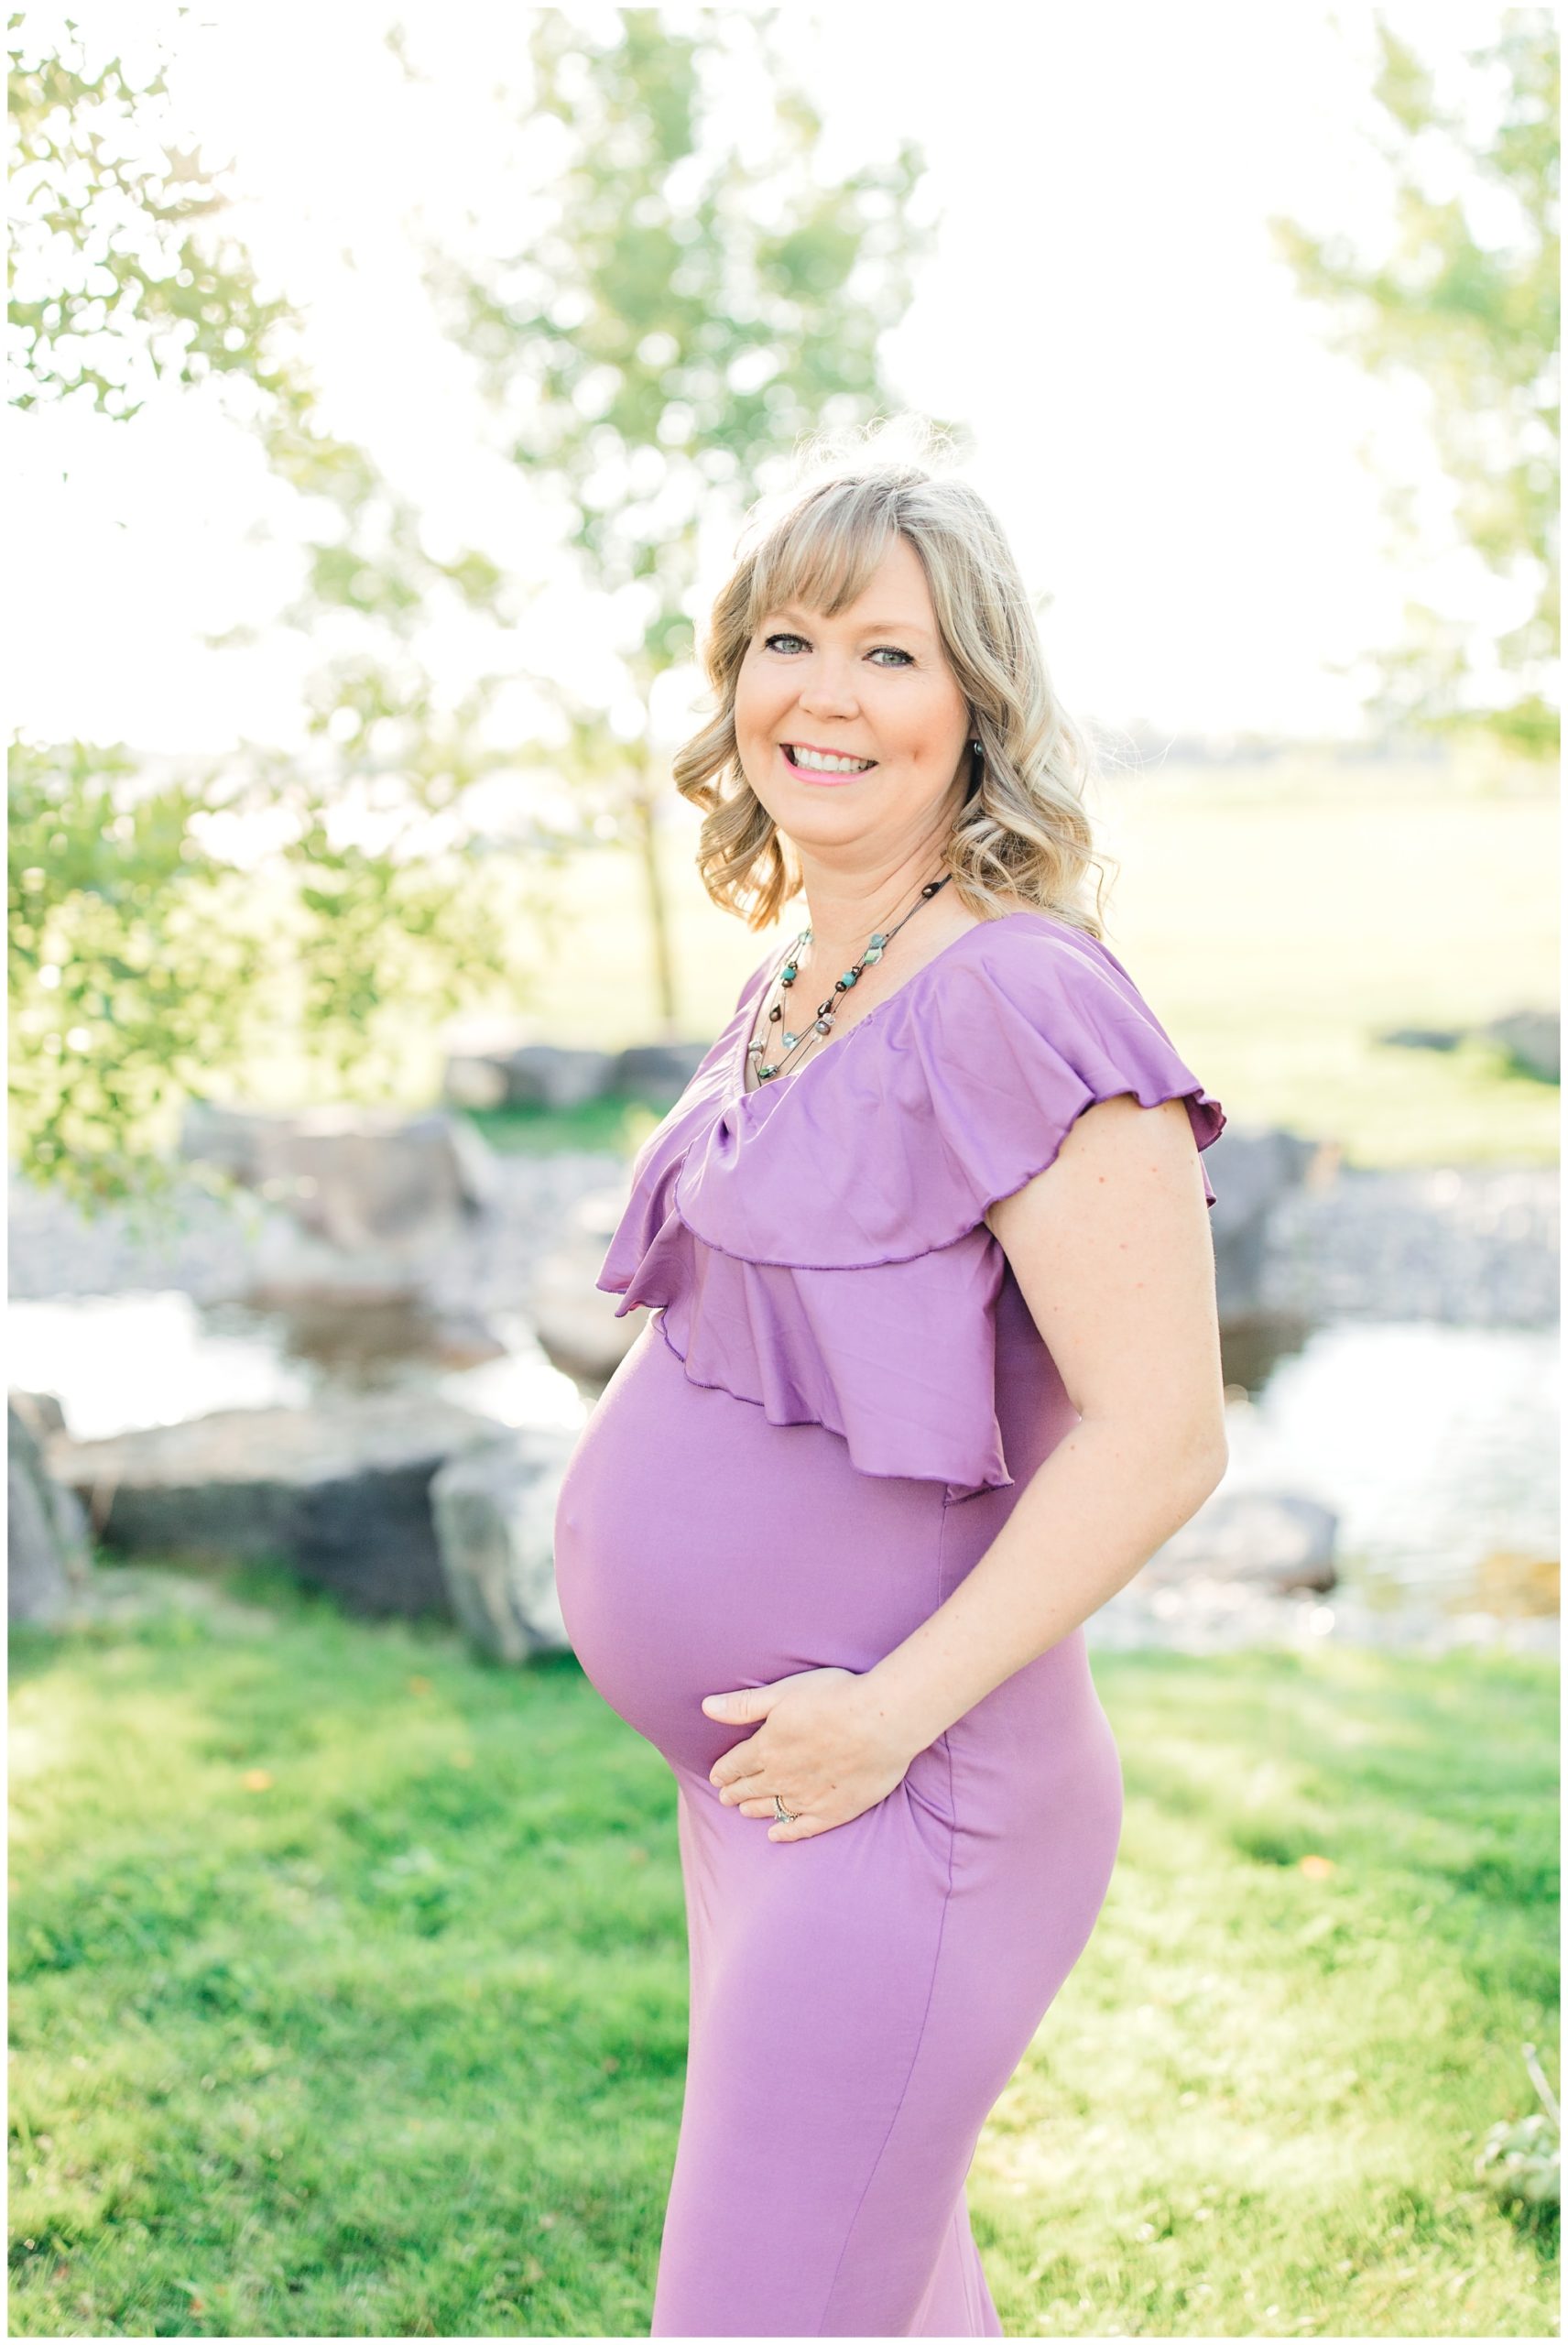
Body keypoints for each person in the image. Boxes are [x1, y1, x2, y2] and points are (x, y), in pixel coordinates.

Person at [552, 437, 1228, 2339]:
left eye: (888, 653)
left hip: (908, 1789)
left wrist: (882, 1718)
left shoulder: (1021, 992)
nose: (821, 694)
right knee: (882, 2297)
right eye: (786, 638)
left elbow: (1166, 1431)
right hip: (777, 1785)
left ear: (976, 706)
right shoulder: (798, 970)